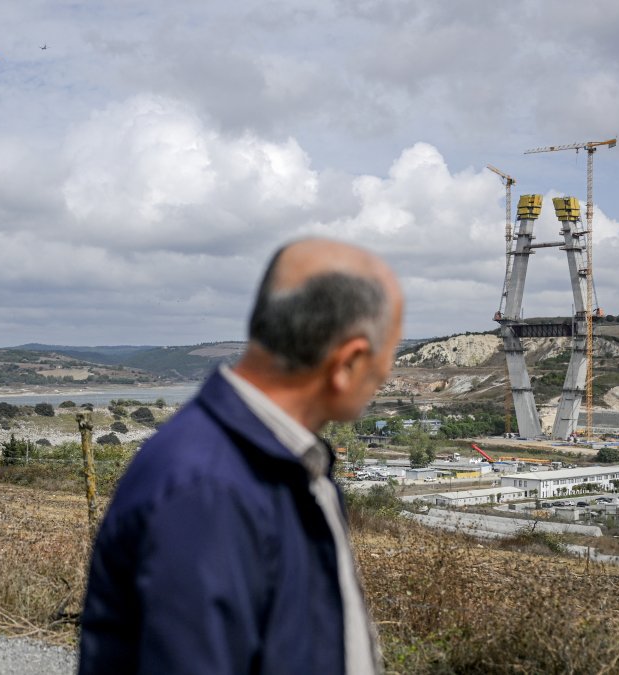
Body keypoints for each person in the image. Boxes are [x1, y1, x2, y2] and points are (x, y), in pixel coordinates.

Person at [79, 238, 403, 674]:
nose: (388, 374)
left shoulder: (278, 464)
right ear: (348, 363)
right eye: (390, 355)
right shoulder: (208, 488)